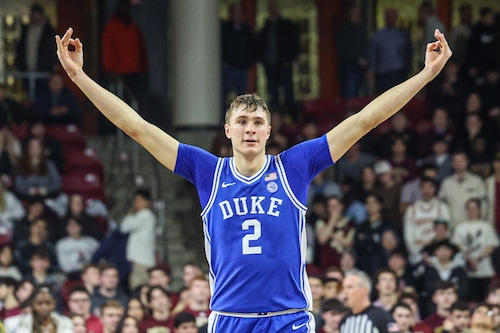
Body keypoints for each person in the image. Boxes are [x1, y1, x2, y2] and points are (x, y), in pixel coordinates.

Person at [56, 26, 452, 333]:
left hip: (289, 317)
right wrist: (79, 77)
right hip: (230, 317)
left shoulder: (294, 166)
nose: (250, 129)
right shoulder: (207, 170)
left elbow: (366, 119)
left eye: (257, 122)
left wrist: (424, 76)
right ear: (227, 130)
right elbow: (136, 127)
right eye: (242, 122)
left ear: (269, 131)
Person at [101, 0, 149, 105]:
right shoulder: (112, 27)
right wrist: (110, 69)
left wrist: (144, 69)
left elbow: (140, 49)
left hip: (135, 71)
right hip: (120, 72)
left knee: (134, 99)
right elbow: (108, 50)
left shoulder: (133, 27)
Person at [256, 0, 299, 117]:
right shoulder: (266, 27)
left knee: (288, 92)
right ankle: (276, 117)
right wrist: (264, 60)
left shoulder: (287, 25)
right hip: (270, 66)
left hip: (284, 64)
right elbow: (259, 45)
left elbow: (294, 44)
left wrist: (288, 60)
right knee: (273, 93)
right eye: (270, 8)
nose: (272, 11)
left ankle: (292, 117)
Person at [452, 199, 499, 302]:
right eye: (469, 208)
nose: (471, 211)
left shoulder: (486, 227)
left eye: (474, 208)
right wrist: (469, 260)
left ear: (479, 210)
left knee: (485, 298)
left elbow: (491, 245)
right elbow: (458, 245)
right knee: (469, 299)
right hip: (465, 270)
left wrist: (476, 260)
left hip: (485, 270)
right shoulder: (460, 227)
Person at [368, 8, 413, 96]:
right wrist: (371, 72)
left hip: (398, 73)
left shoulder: (402, 35)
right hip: (382, 75)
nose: (390, 19)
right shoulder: (378, 35)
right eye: (388, 17)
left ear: (396, 18)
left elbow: (408, 53)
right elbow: (372, 55)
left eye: (392, 17)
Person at [221, 2, 256, 113]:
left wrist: (248, 62)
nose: (237, 15)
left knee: (242, 97)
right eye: (235, 12)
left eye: (239, 12)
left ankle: (242, 118)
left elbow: (252, 47)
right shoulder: (225, 29)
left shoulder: (246, 30)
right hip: (229, 67)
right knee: (224, 95)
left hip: (242, 68)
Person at [15, 4, 58, 91]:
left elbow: (52, 50)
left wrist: (51, 66)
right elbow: (20, 49)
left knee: (43, 94)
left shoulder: (49, 31)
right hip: (27, 70)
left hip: (44, 71)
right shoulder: (26, 30)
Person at [120, 189, 156, 291]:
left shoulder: (145, 215)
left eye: (139, 200)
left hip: (142, 262)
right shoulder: (145, 215)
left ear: (147, 201)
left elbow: (124, 227)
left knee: (138, 291)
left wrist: (131, 213)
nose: (136, 203)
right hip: (142, 261)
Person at [337, 5, 368, 98]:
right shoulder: (345, 31)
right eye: (355, 14)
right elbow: (343, 51)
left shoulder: (362, 30)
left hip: (363, 69)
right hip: (349, 69)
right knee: (351, 97)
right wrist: (357, 59)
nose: (358, 16)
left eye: (359, 14)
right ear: (350, 15)